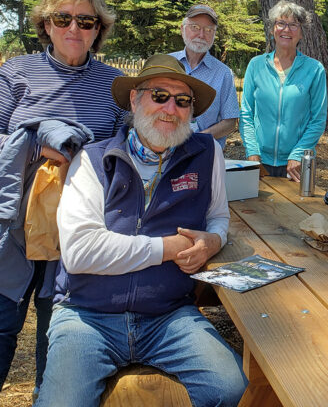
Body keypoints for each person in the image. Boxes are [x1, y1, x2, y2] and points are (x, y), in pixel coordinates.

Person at [35, 54, 246, 407]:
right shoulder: (92, 158)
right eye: (159, 95)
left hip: (168, 314)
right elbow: (80, 252)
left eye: (182, 101)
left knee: (233, 390)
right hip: (88, 316)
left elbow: (218, 217)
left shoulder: (207, 153)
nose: (171, 109)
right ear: (135, 99)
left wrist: (213, 240)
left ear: (192, 111)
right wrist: (168, 247)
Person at [0, 0, 125, 396]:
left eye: (86, 20)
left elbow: (126, 146)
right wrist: (41, 140)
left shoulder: (114, 84)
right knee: (1, 324)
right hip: (15, 225)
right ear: (46, 25)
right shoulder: (15, 72)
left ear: (98, 29)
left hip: (79, 228)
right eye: (63, 18)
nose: (75, 27)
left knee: (58, 330)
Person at [241, 0, 327, 181]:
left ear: (302, 33)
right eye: (281, 23)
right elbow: (246, 114)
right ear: (273, 29)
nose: (286, 30)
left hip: (296, 164)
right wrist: (252, 151)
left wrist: (298, 153)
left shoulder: (314, 69)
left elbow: (318, 119)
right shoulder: (256, 65)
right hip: (259, 161)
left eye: (294, 25)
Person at [170, 4, 240, 148]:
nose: (201, 35)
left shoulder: (223, 73)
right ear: (182, 29)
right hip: (163, 153)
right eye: (195, 27)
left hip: (203, 155)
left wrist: (196, 140)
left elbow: (230, 122)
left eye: (208, 30)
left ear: (214, 35)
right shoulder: (166, 64)